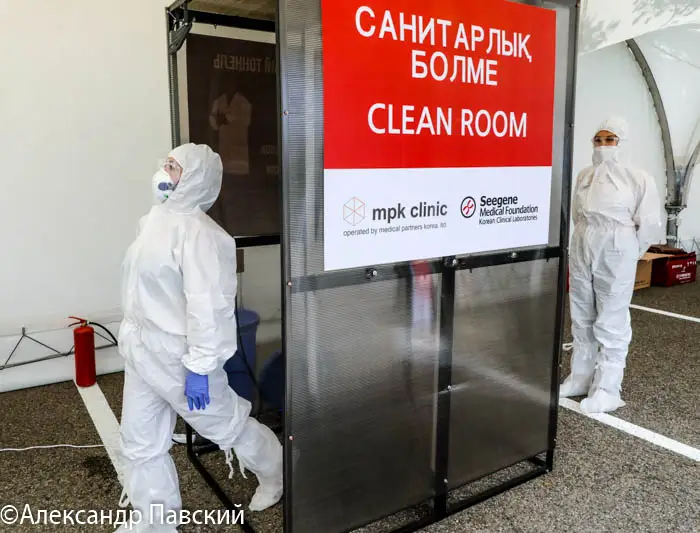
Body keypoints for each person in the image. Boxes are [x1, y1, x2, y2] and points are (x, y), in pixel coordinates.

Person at [115, 143, 283, 532]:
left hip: (179, 356)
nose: (164, 171)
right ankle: (155, 521)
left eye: (173, 166)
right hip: (141, 350)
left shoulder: (203, 236)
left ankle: (277, 471)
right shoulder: (151, 221)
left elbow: (209, 308)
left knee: (227, 425)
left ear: (194, 178)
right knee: (139, 440)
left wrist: (201, 366)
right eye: (166, 163)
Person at [561, 116, 664, 414]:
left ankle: (607, 388)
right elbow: (577, 214)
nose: (603, 145)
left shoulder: (638, 178)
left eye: (610, 139)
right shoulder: (585, 176)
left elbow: (649, 223)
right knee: (581, 311)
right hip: (583, 242)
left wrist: (629, 251)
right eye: (598, 139)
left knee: (611, 316)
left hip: (617, 245)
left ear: (622, 143)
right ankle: (580, 376)